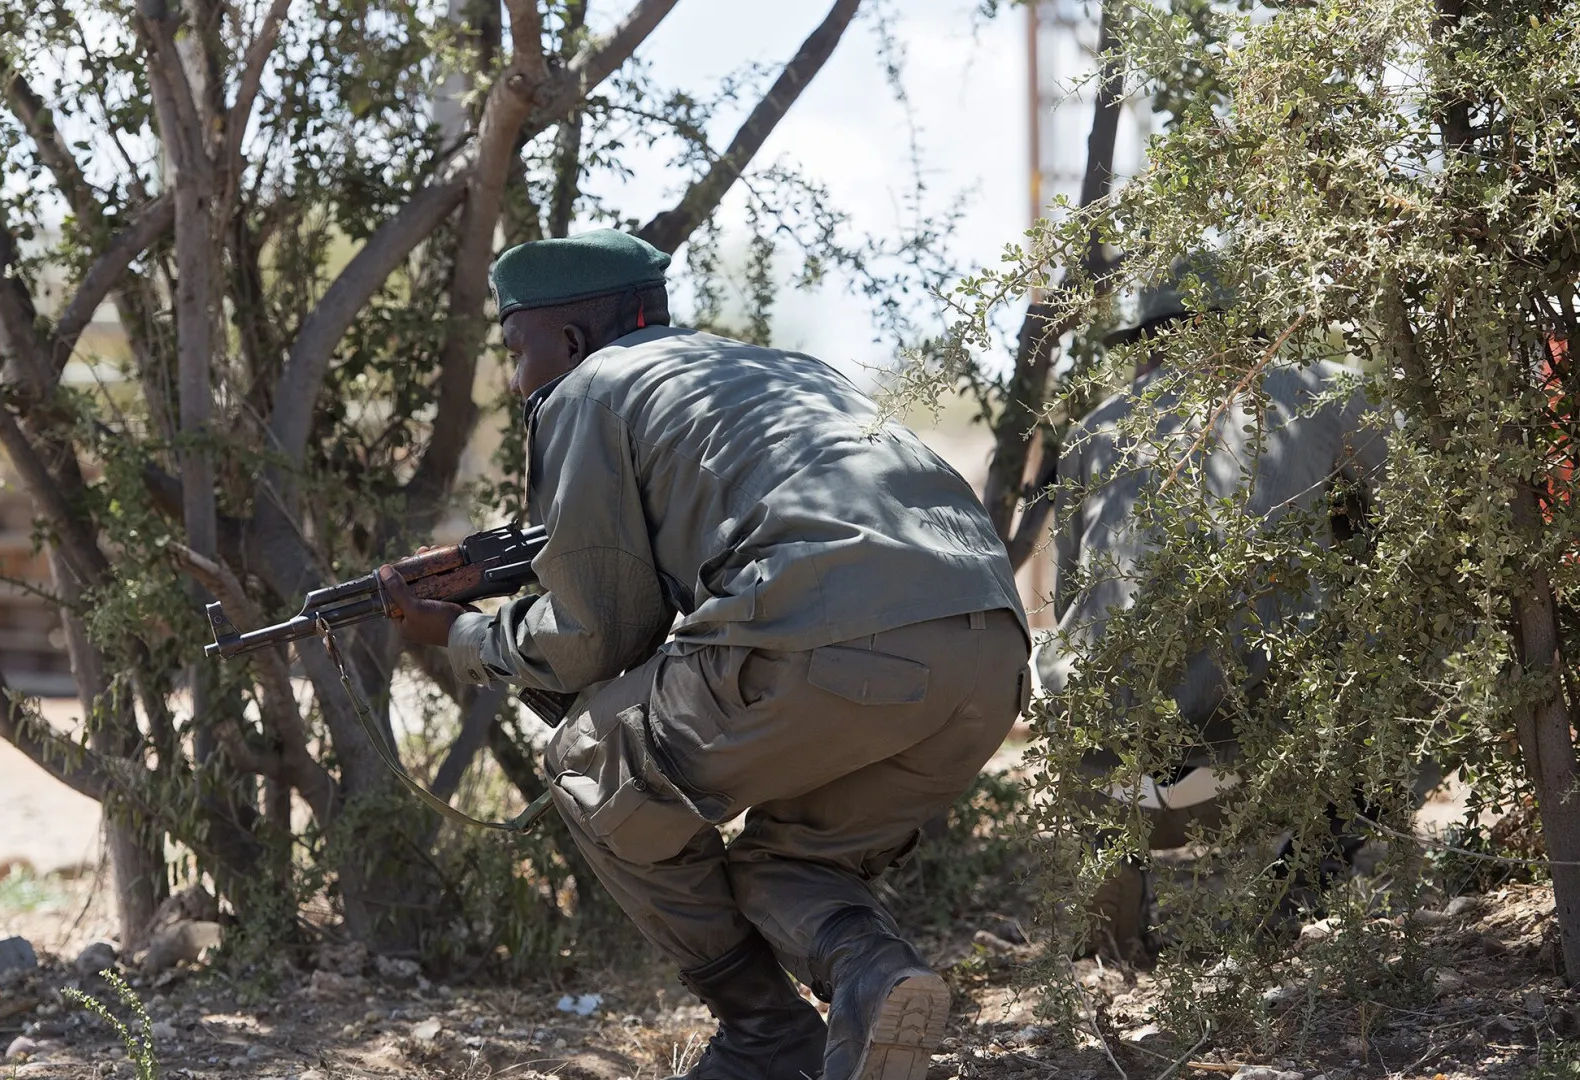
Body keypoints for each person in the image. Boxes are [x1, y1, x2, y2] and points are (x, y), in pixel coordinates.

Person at [380, 229, 1031, 1080]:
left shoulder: (590, 389)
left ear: (570, 341)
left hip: (821, 639)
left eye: (515, 349)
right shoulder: (789, 371)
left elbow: (594, 638)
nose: (515, 377)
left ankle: (766, 1034)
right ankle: (874, 974)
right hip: (987, 656)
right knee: (792, 863)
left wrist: (463, 637)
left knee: (586, 759)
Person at [1033, 265, 1391, 960]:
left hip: (1122, 758)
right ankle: (1287, 907)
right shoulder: (1319, 392)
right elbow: (1424, 509)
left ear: (1153, 340)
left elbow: (1075, 591)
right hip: (1266, 749)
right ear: (1244, 323)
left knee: (1067, 656)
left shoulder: (1092, 431)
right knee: (1422, 634)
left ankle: (1115, 872)